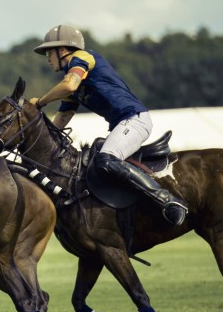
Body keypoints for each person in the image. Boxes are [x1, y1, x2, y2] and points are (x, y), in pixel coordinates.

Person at [30, 24, 187, 225]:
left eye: (49, 53)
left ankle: (169, 201)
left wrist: (41, 102)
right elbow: (61, 119)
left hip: (134, 119)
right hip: (123, 124)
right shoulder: (73, 81)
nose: (48, 59)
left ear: (63, 50)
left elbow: (69, 84)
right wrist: (38, 142)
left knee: (106, 159)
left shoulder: (83, 59)